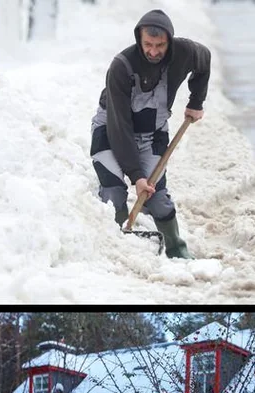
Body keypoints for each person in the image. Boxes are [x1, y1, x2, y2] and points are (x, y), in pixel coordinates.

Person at [90, 9, 210, 258]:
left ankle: (177, 250)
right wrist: (136, 176)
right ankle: (117, 252)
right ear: (139, 39)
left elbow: (204, 59)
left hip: (152, 135)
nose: (154, 51)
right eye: (148, 44)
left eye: (160, 45)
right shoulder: (121, 67)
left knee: (157, 199)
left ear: (169, 41)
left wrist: (196, 102)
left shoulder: (185, 52)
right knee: (114, 193)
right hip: (111, 132)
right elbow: (119, 126)